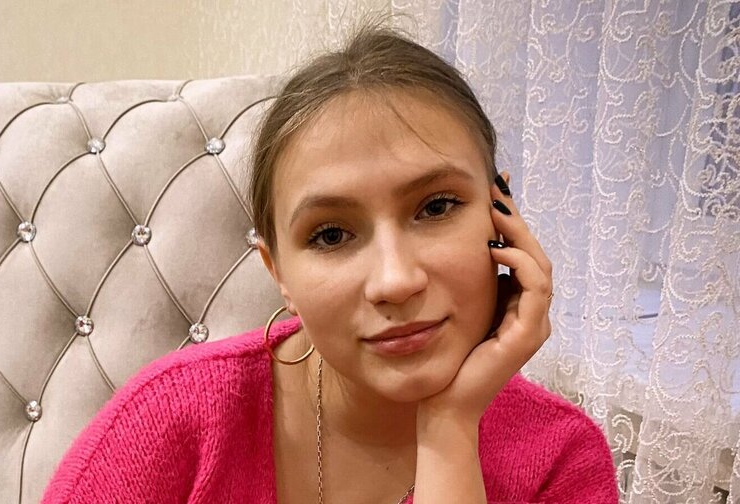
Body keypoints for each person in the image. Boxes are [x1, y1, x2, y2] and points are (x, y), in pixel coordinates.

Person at [41, 19, 619, 504]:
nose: (395, 280)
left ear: (501, 217)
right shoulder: (170, 421)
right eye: (332, 235)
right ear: (279, 273)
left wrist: (449, 430)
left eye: (437, 206)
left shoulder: (561, 462)